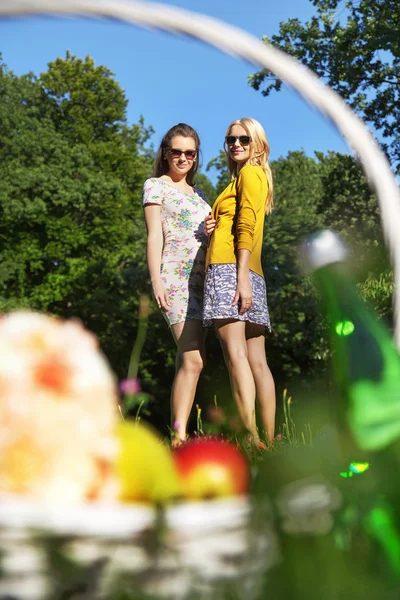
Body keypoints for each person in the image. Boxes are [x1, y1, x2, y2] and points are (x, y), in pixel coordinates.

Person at [204, 117, 276, 448]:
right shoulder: (254, 177)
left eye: (244, 139)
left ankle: (250, 437)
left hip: (231, 269)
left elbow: (245, 224)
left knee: (236, 356)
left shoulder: (249, 173)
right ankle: (270, 439)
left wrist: (240, 277)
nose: (236, 144)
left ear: (257, 144)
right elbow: (238, 221)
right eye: (230, 139)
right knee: (256, 360)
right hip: (250, 270)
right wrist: (214, 225)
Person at [142, 123, 210, 446]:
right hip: (175, 278)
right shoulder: (156, 186)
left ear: (196, 157)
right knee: (192, 358)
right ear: (166, 153)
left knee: (192, 360)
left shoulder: (200, 196)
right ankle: (179, 437)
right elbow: (154, 235)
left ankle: (180, 434)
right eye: (177, 152)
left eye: (190, 153)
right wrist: (156, 279)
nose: (183, 158)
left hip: (202, 282)